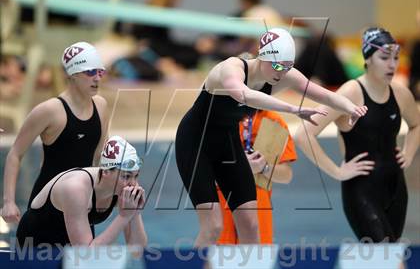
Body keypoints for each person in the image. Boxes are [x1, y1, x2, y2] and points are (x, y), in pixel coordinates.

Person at [175, 27, 367, 247]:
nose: (282, 73)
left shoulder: (281, 73)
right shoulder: (231, 68)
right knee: (213, 227)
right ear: (262, 56)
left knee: (251, 225)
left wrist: (351, 107)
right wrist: (293, 109)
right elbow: (245, 95)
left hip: (227, 143)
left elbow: (321, 93)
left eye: (287, 67)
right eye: (277, 65)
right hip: (195, 142)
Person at [295, 27, 420, 242]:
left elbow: (416, 125)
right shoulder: (350, 93)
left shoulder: (400, 94)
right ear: (368, 59)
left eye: (396, 58)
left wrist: (408, 153)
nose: (392, 64)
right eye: (384, 58)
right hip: (361, 191)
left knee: (385, 258)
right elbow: (303, 134)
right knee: (387, 258)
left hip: (396, 189)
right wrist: (336, 171)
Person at [1, 42, 109, 224]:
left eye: (100, 72)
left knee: (81, 252)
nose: (97, 78)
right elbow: (15, 154)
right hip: (46, 206)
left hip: (81, 205)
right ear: (72, 75)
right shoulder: (49, 110)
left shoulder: (101, 105)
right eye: (90, 72)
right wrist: (9, 202)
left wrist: (109, 191)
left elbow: (100, 157)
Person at [16, 136, 147, 248]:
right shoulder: (76, 188)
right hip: (36, 244)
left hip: (75, 241)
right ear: (106, 171)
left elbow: (137, 252)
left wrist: (134, 213)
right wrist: (123, 217)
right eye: (126, 176)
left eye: (136, 176)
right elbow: (86, 255)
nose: (133, 183)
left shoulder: (124, 185)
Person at [217, 110, 296, 244]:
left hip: (259, 202)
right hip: (223, 200)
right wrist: (239, 167)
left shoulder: (273, 121)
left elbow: (286, 175)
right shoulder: (219, 117)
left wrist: (263, 167)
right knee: (220, 258)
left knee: (256, 258)